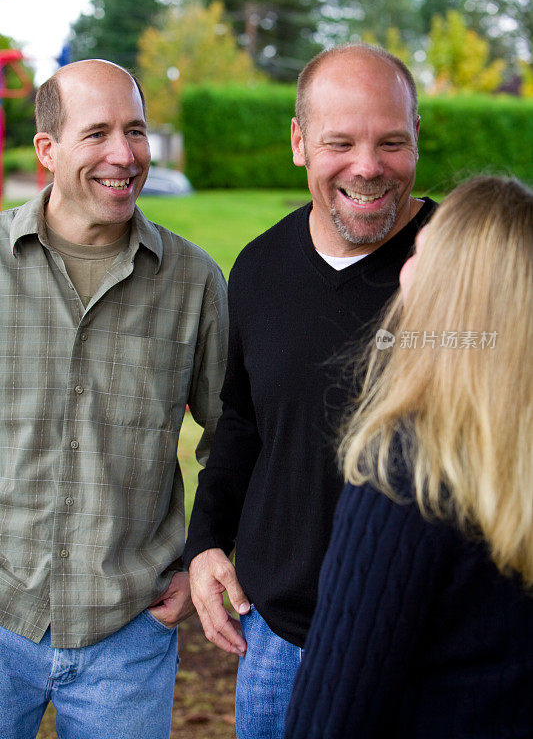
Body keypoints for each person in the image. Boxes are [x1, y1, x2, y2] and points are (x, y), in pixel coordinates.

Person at [183, 43, 437, 738]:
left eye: (391, 141)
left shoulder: (461, 268)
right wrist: (205, 541)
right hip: (280, 644)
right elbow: (240, 423)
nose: (367, 166)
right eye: (339, 142)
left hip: (431, 651)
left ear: (417, 135)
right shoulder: (260, 267)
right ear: (298, 142)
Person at [0, 59, 228, 739]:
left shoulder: (193, 282)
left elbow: (233, 436)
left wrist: (204, 554)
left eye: (136, 131)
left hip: (126, 633)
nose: (125, 155)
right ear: (47, 150)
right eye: (97, 133)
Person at [284, 175, 533, 738]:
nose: (404, 268)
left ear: (453, 289)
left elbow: (331, 714)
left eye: (422, 251)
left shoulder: (406, 470)